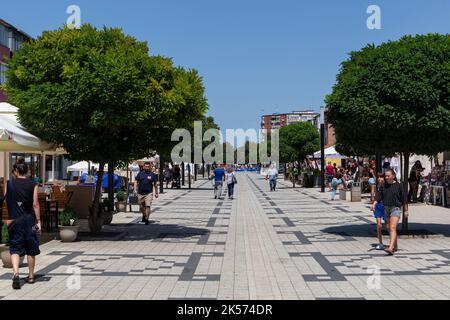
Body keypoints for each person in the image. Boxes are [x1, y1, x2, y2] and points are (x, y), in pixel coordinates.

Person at [5, 157, 41, 289]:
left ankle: (16, 273)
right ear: (26, 171)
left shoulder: (9, 184)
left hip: (14, 220)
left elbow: (7, 201)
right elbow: (35, 204)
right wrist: (38, 221)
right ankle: (31, 276)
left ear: (15, 171)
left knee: (15, 248)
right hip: (28, 220)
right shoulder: (33, 184)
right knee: (30, 248)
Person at [371, 169, 408, 256]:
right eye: (386, 176)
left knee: (392, 227)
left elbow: (404, 199)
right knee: (388, 227)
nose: (386, 177)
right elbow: (379, 196)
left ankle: (391, 248)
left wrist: (406, 210)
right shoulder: (383, 186)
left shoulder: (399, 186)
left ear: (393, 176)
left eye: (388, 176)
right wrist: (374, 204)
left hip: (396, 208)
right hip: (386, 208)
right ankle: (395, 245)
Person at [373, 174, 386, 250]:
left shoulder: (387, 186)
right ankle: (380, 243)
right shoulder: (377, 185)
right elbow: (376, 196)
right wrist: (374, 204)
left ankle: (392, 242)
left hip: (385, 206)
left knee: (388, 225)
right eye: (378, 177)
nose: (379, 178)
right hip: (378, 206)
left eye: (381, 177)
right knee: (379, 225)